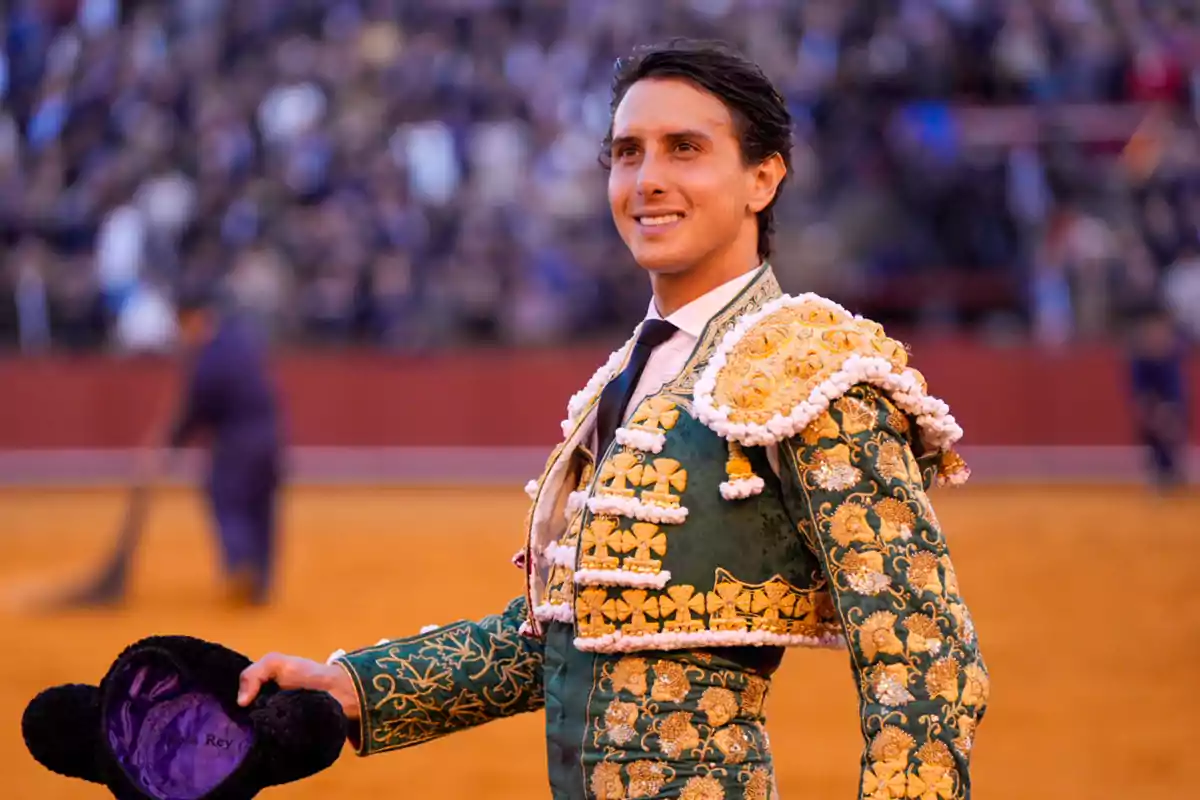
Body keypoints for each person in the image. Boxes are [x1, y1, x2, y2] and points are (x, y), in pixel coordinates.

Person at [237, 39, 989, 799]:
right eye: (627, 154)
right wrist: (348, 688)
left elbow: (924, 655)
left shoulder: (811, 369)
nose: (647, 180)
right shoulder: (633, 373)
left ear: (763, 178)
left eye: (685, 150)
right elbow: (564, 640)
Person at [132, 286, 286, 607]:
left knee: (227, 500)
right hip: (271, 439)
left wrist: (168, 446)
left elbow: (196, 410)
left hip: (236, 443)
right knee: (262, 508)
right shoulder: (240, 340)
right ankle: (263, 580)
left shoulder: (206, 360)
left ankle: (241, 567)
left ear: (191, 319)